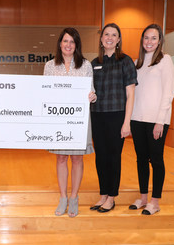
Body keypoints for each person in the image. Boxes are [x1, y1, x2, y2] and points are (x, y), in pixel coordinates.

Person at [43, 28, 97, 217]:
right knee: (60, 158)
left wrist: (92, 96)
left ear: (77, 45)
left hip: (78, 119)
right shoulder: (50, 65)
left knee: (77, 158)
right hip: (58, 118)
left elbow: (91, 91)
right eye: (65, 41)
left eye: (72, 42)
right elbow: (45, 91)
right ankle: (63, 197)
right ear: (60, 44)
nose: (68, 45)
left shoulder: (86, 65)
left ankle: (74, 198)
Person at [90, 23, 137, 213]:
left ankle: (112, 197)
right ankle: (103, 195)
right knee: (100, 157)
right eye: (106, 34)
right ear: (101, 39)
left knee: (113, 157)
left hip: (117, 116)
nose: (109, 37)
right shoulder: (93, 63)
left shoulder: (125, 61)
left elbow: (131, 94)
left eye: (114, 35)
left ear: (118, 40)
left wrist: (127, 122)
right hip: (97, 116)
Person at [129, 24, 174, 215]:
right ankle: (143, 198)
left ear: (160, 41)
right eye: (146, 38)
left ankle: (155, 201)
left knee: (156, 160)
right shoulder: (137, 62)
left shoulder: (166, 60)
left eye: (153, 38)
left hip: (156, 120)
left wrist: (160, 121)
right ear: (142, 40)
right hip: (137, 118)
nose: (149, 42)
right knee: (141, 160)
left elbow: (168, 93)